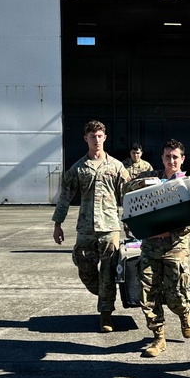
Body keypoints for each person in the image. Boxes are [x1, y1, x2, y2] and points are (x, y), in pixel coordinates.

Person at [52, 120, 130, 332]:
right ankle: (105, 294)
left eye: (99, 136)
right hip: (86, 228)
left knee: (108, 271)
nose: (96, 140)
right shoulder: (78, 168)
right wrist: (57, 224)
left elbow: (128, 197)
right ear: (85, 139)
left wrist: (132, 224)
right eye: (92, 136)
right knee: (84, 268)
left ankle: (106, 315)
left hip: (109, 228)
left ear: (105, 138)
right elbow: (65, 197)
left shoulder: (116, 167)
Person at [137, 139, 190, 357]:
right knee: (148, 294)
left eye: (175, 157)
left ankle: (184, 312)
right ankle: (158, 337)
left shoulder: (188, 183)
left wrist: (169, 232)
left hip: (175, 247)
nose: (171, 160)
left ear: (182, 159)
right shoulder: (149, 180)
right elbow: (132, 204)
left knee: (176, 293)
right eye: (167, 156)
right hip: (150, 246)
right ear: (161, 158)